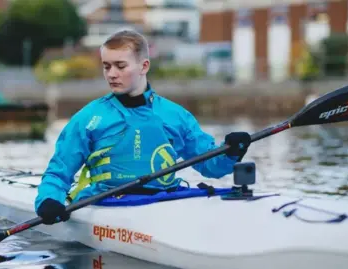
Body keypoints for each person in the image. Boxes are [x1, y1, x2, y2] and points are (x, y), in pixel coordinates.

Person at [35, 29, 251, 225]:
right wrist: (49, 200)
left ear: (144, 66)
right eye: (106, 66)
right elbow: (58, 173)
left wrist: (231, 151)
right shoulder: (89, 118)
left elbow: (213, 166)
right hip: (108, 202)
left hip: (165, 201)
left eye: (120, 66)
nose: (111, 74)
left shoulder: (175, 115)